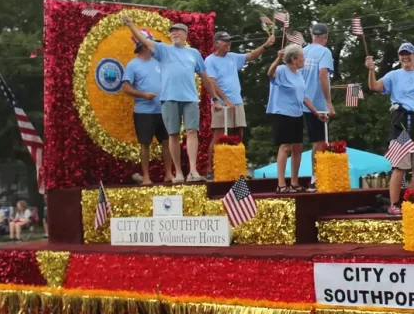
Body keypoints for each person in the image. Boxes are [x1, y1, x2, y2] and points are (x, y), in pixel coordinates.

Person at [121, 15, 215, 182]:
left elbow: (205, 77)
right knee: (172, 135)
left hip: (190, 98)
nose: (174, 33)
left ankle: (193, 171)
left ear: (186, 34)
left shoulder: (194, 53)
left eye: (177, 31)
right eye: (172, 31)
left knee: (192, 131)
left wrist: (214, 98)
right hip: (169, 99)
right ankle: (178, 173)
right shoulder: (163, 49)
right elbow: (144, 40)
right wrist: (131, 25)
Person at [366, 42, 414, 215]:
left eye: (409, 54)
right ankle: (394, 204)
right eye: (402, 54)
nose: (405, 57)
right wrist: (371, 70)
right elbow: (375, 86)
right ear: (399, 57)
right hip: (400, 122)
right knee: (399, 166)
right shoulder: (393, 75)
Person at [204, 28, 275, 178]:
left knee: (239, 133)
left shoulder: (232, 57)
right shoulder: (210, 60)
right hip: (222, 104)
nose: (229, 44)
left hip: (237, 102)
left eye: (230, 41)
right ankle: (210, 169)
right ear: (216, 43)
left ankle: (235, 166)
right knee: (218, 135)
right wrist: (225, 100)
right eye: (225, 41)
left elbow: (251, 56)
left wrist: (266, 45)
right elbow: (212, 82)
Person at [266, 45, 325, 192]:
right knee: (285, 146)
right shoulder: (281, 70)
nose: (304, 60)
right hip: (283, 113)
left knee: (298, 147)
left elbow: (304, 97)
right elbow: (270, 73)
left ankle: (294, 182)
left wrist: (316, 113)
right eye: (301, 57)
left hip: (297, 114)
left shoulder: (299, 74)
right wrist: (277, 59)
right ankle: (281, 184)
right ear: (293, 59)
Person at [121, 28, 173, 185]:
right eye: (149, 43)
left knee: (167, 141)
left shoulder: (159, 62)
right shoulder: (133, 65)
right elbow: (126, 88)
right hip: (144, 111)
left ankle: (169, 174)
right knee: (145, 144)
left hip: (162, 109)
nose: (152, 47)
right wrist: (143, 95)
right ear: (143, 45)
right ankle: (146, 177)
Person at [300, 24, 335, 189]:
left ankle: (300, 179)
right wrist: (328, 102)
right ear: (326, 37)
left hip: (300, 102)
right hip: (317, 103)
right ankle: (316, 178)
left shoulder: (302, 51)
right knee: (320, 141)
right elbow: (322, 74)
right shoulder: (325, 52)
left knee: (300, 143)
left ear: (311, 35)